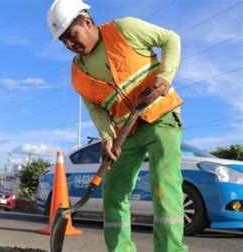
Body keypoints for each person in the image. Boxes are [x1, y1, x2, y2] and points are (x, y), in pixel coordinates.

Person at [47, 0, 187, 251]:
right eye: (63, 41)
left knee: (163, 185)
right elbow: (96, 109)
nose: (69, 44)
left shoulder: (125, 28)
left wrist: (165, 78)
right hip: (126, 131)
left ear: (87, 21)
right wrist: (107, 138)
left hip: (160, 115)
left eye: (72, 35)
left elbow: (171, 39)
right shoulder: (77, 71)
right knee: (112, 192)